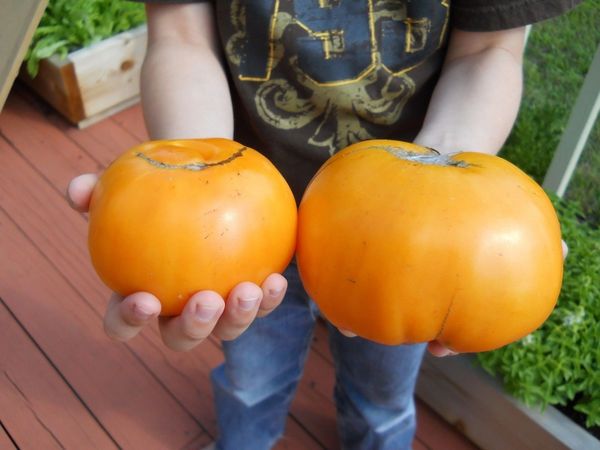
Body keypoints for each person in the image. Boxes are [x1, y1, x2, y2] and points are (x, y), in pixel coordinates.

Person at [67, 1, 577, 448]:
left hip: (405, 252)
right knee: (251, 377)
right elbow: (181, 34)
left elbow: (488, 49)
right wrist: (194, 201)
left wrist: (449, 195)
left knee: (382, 393)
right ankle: (246, 441)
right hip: (250, 232)